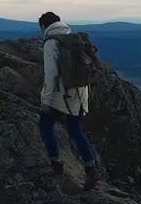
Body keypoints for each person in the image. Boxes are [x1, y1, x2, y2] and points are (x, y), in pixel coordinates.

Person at [37, 11, 98, 190]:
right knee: (76, 129)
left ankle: (56, 164)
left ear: (44, 26)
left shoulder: (51, 43)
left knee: (45, 124)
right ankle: (91, 169)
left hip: (62, 95)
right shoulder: (72, 37)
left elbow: (51, 74)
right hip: (81, 92)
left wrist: (46, 100)